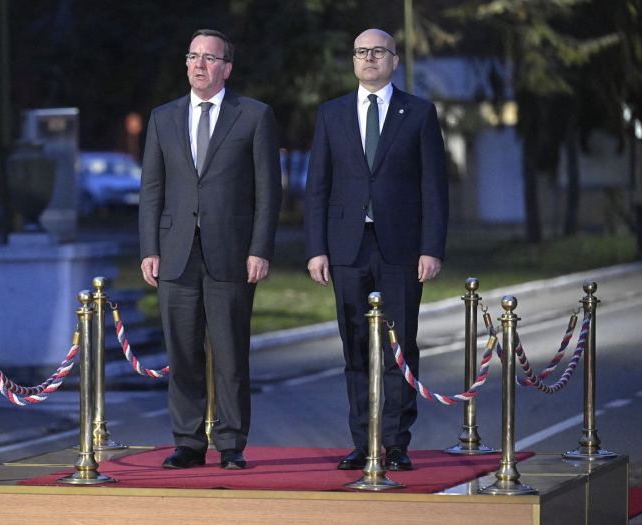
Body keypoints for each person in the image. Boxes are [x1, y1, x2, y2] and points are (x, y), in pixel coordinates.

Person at [304, 29, 448, 471]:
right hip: (346, 247)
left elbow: (434, 187)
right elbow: (318, 188)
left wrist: (431, 247)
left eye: (378, 52)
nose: (369, 59)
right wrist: (316, 249)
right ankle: (363, 441)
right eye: (362, 52)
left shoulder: (419, 113)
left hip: (402, 248)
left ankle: (396, 441)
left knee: (400, 346)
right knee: (355, 349)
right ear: (353, 61)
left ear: (394, 60)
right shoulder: (332, 114)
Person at [139, 29, 282, 470]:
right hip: (176, 252)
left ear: (227, 68)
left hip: (232, 253)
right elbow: (152, 190)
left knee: (230, 354)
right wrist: (149, 249)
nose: (199, 64)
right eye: (193, 56)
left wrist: (259, 249)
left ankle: (231, 444)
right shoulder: (163, 118)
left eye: (209, 58)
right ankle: (187, 442)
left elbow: (267, 191)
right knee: (182, 353)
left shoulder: (254, 116)